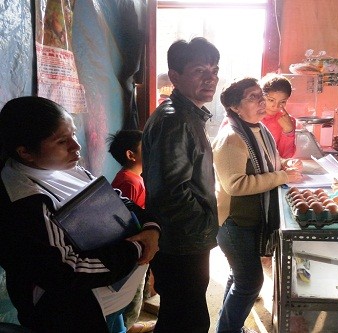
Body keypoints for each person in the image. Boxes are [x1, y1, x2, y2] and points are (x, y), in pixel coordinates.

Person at [0, 96, 160, 333]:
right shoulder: (24, 202)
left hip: (108, 297)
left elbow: (117, 199)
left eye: (73, 134)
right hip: (72, 317)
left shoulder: (68, 168)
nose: (77, 146)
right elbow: (68, 272)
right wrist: (137, 248)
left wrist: (150, 227)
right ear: (25, 152)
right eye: (62, 141)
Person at [212, 77, 303, 333]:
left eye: (260, 96)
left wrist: (284, 166)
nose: (262, 102)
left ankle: (228, 326)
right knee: (250, 281)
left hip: (251, 220)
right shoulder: (231, 137)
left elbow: (267, 162)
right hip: (233, 222)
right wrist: (282, 177)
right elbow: (235, 185)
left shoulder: (259, 129)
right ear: (235, 108)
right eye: (253, 98)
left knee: (239, 276)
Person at [142, 37, 220, 333]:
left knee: (180, 315)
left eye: (213, 69)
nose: (210, 77)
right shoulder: (175, 120)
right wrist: (202, 224)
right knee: (189, 320)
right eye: (200, 70)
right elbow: (171, 193)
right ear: (175, 76)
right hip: (182, 241)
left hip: (186, 238)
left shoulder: (188, 115)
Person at [107, 130, 156, 333]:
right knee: (130, 298)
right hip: (132, 255)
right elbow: (128, 224)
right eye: (146, 145)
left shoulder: (134, 177)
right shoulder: (129, 182)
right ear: (130, 155)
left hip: (135, 253)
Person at [260, 73, 297, 158]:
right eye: (271, 100)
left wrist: (288, 131)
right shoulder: (250, 116)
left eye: (282, 102)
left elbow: (285, 156)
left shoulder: (288, 121)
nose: (276, 106)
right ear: (261, 96)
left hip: (274, 168)